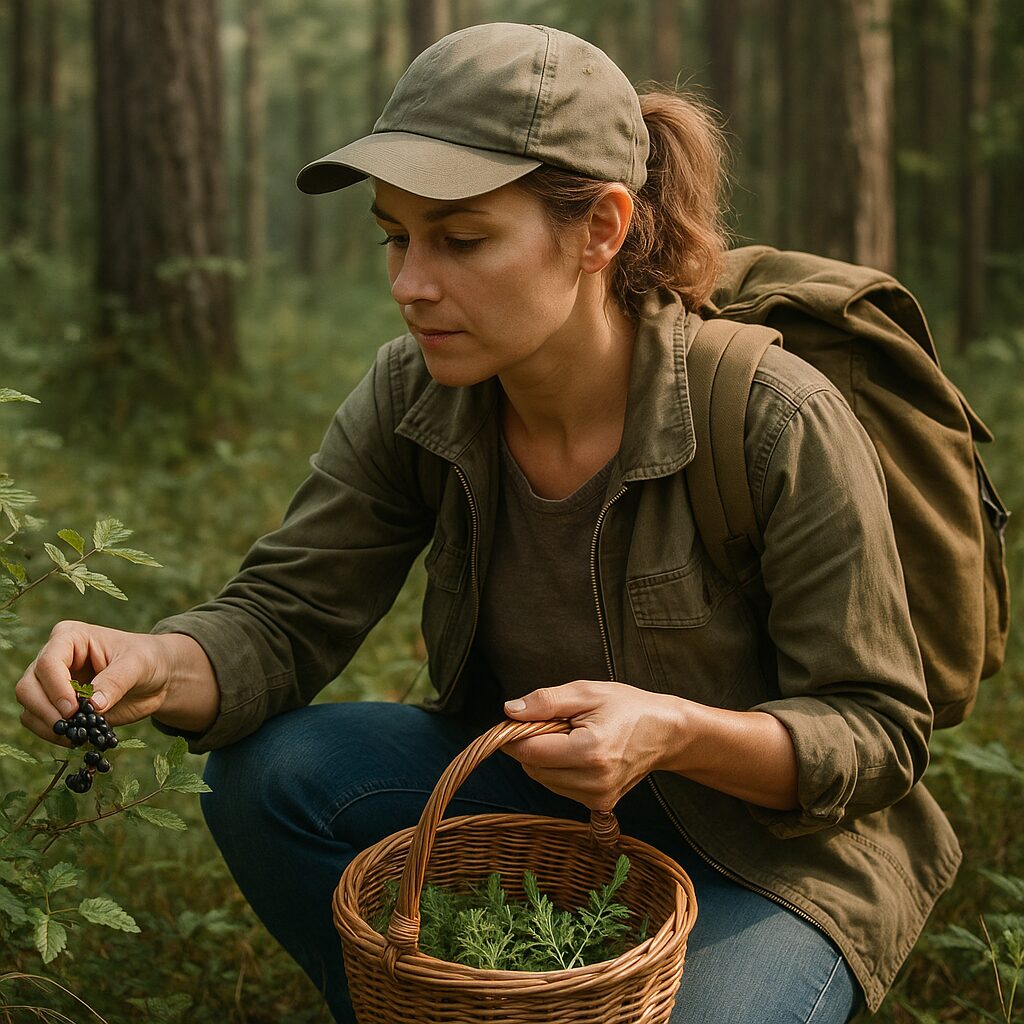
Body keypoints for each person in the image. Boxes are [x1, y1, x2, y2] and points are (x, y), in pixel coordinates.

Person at [15, 22, 961, 1024]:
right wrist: (155, 660)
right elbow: (285, 616)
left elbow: (877, 731)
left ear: (601, 228)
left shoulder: (771, 415)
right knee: (273, 776)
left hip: (767, 863)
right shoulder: (417, 394)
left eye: (460, 240)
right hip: (539, 815)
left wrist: (670, 730)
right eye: (396, 235)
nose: (411, 282)